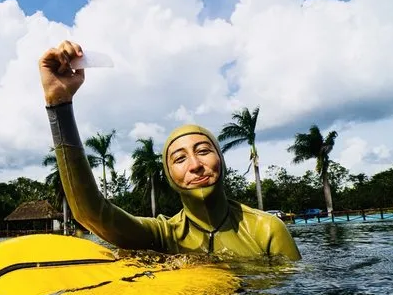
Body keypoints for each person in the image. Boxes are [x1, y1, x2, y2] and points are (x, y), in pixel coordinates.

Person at [39, 40, 301, 261]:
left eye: (203, 150)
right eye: (179, 158)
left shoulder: (267, 230)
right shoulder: (163, 236)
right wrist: (59, 104)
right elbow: (91, 213)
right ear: (169, 175)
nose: (195, 164)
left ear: (221, 160)